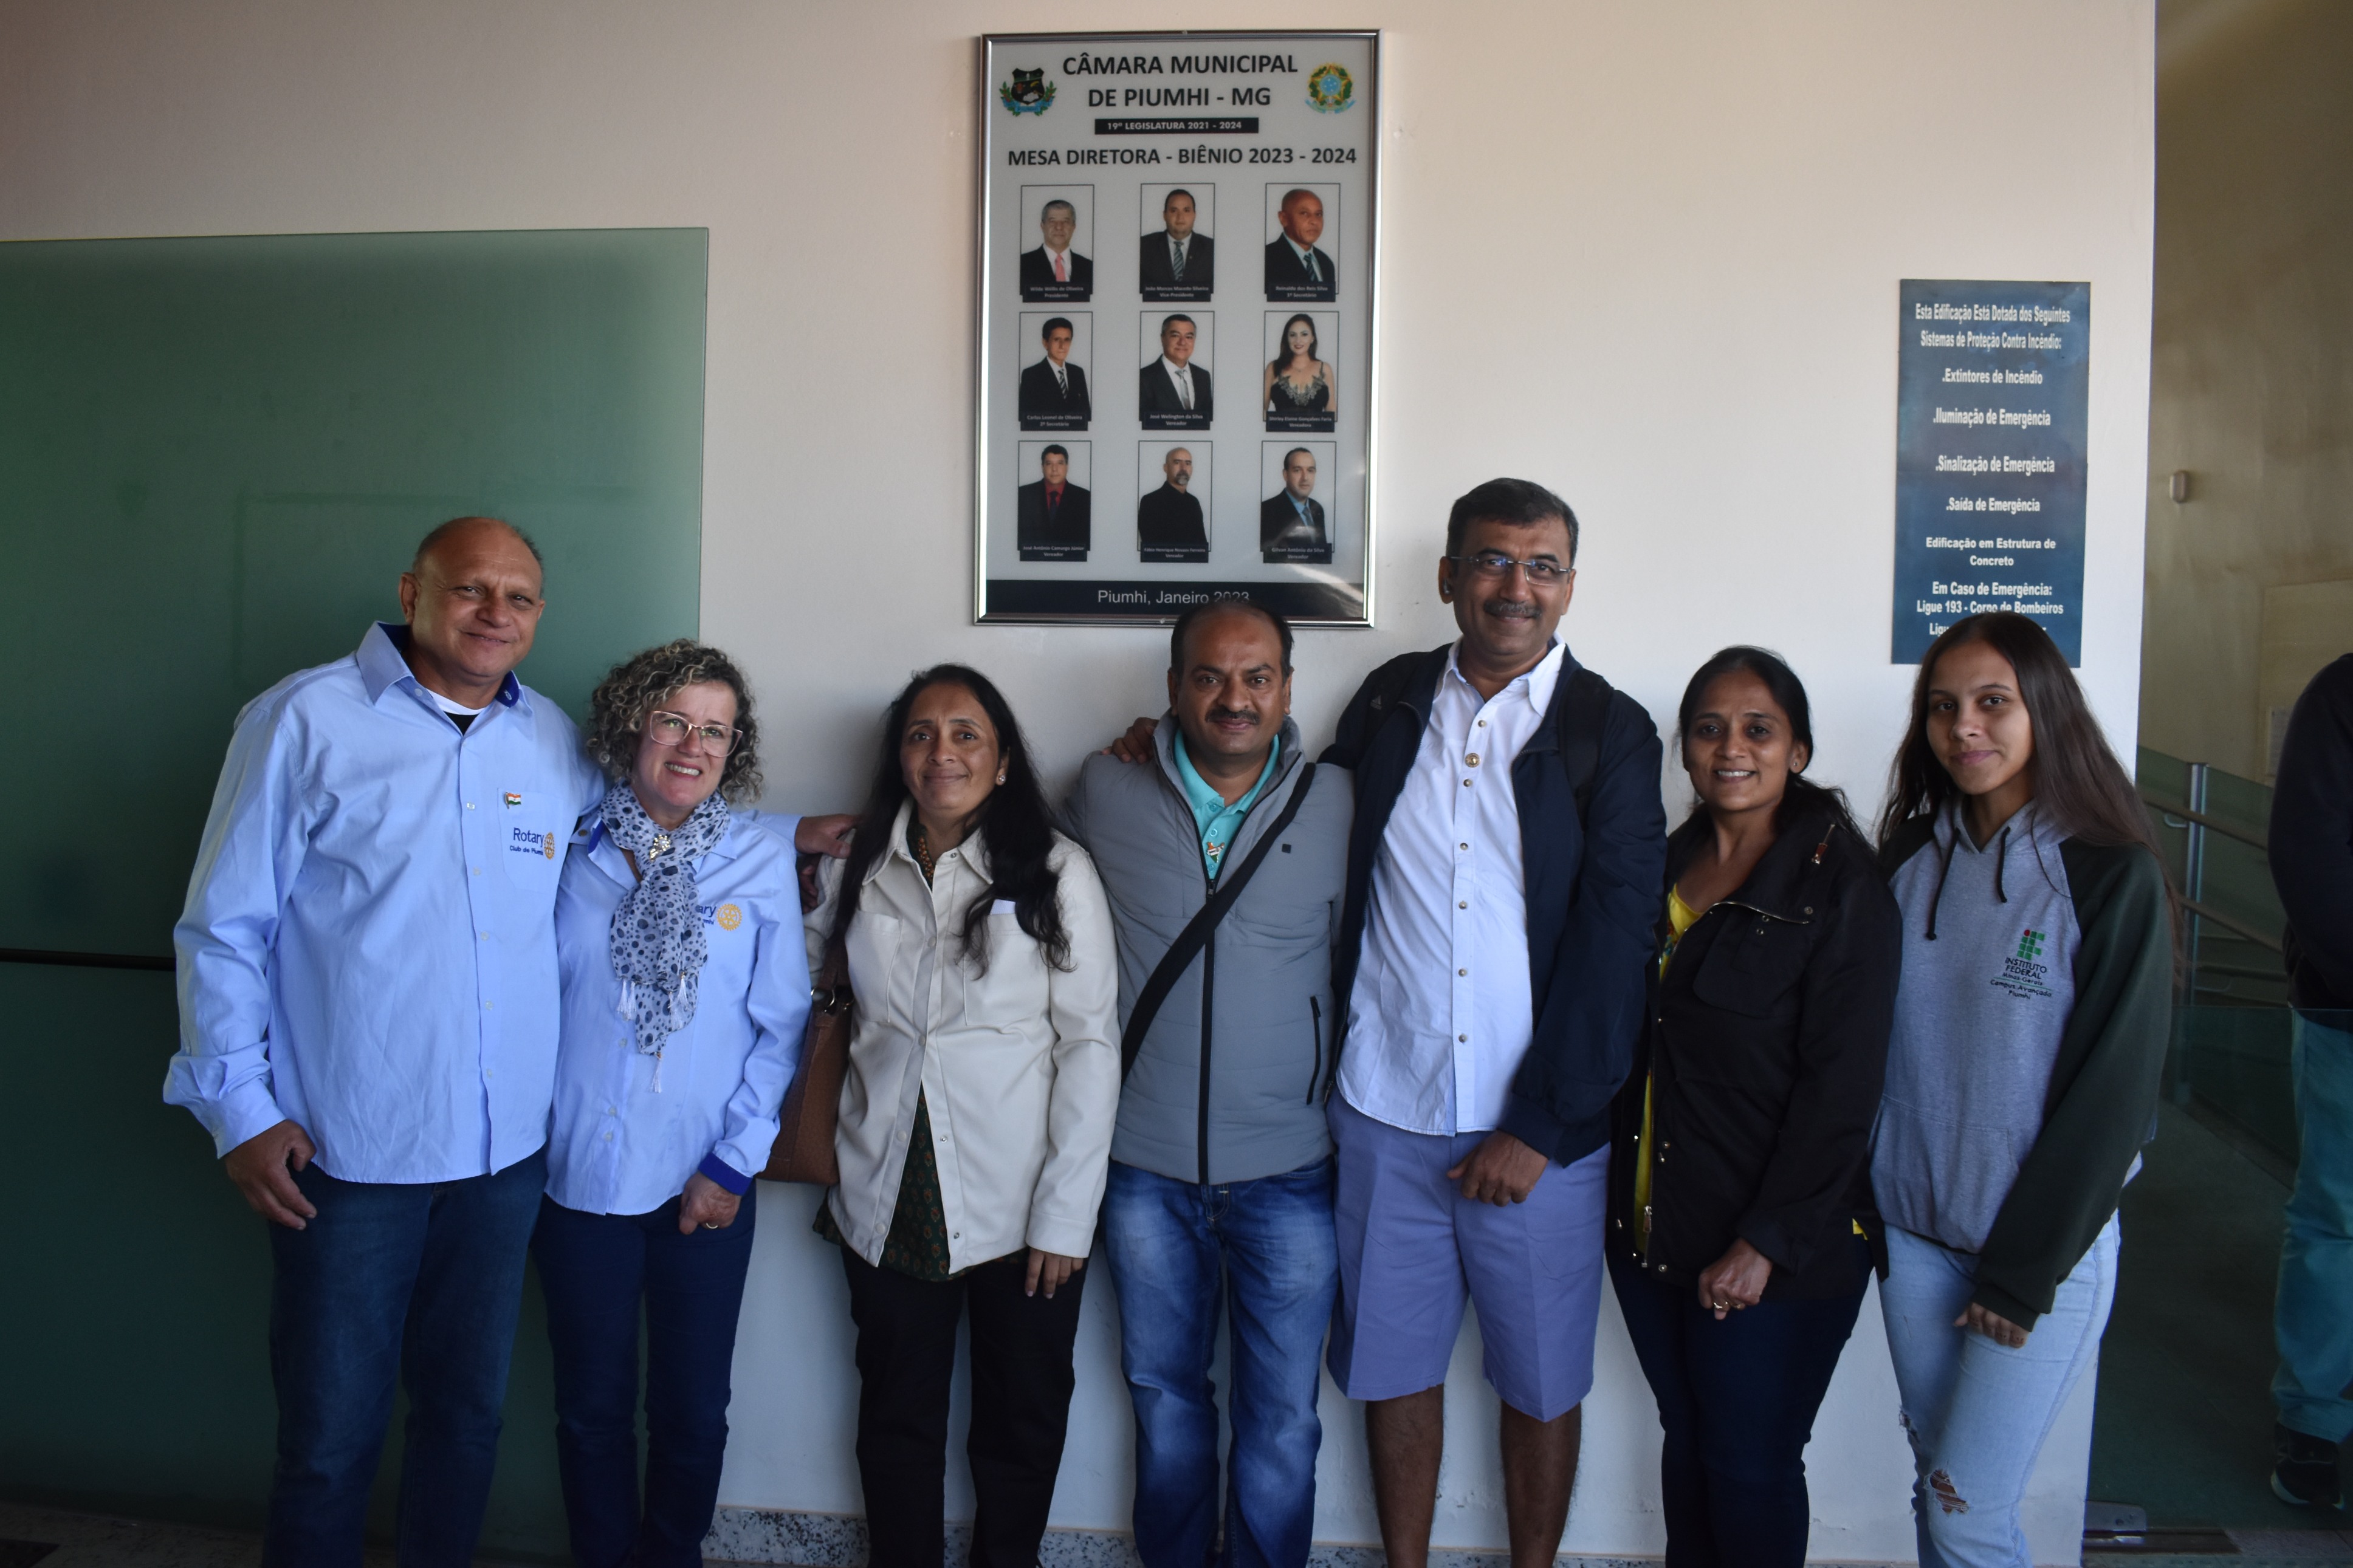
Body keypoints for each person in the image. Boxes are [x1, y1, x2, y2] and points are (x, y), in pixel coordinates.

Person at [163, 516, 854, 1566]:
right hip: (350, 1149)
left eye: (520, 597)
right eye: (471, 589)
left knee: (465, 1423)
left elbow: (665, 823)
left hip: (503, 1164)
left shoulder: (546, 743)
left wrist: (785, 835)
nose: (496, 613)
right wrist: (239, 1108)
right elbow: (224, 928)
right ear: (412, 591)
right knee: (329, 1439)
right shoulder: (305, 719)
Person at [1320, 479, 1666, 1568]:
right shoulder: (1388, 703)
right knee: (1394, 1371)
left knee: (1541, 1380)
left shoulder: (1609, 730)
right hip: (1386, 1105)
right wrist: (1159, 745)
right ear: (1448, 577)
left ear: (1569, 586)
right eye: (1491, 560)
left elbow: (1618, 941)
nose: (1516, 586)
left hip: (1541, 1135)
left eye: (1541, 566)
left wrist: (1543, 1123)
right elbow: (1302, 828)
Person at [1872, 611, 2173, 1568]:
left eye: (1993, 702)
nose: (1964, 727)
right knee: (1937, 1483)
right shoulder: (1906, 859)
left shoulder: (2109, 873)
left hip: (2040, 1256)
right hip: (1914, 1237)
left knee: (1965, 1512)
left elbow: (2113, 1098)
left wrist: (2023, 1269)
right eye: (1943, 706)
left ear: (2045, 709)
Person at [808, 665, 1119, 1568]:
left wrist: (1066, 1215)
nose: (940, 752)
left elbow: (1090, 1046)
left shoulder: (1057, 869)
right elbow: (800, 984)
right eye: (920, 734)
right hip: (885, 1185)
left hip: (1022, 1202)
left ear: (1004, 759)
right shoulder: (856, 864)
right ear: (898, 757)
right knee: (894, 1417)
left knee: (1021, 1420)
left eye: (965, 733)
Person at [1065, 603, 1354, 1568]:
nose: (1235, 697)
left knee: (1284, 1423)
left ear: (1288, 687)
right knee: (1166, 1404)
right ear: (1174, 688)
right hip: (1143, 1169)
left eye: (1257, 676)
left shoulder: (1339, 800)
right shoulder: (1105, 789)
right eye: (1210, 676)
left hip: (1291, 1170)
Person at [1606, 647, 1899, 1568]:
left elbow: (1843, 1091)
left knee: (1748, 1464)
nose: (1731, 747)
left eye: (1757, 729)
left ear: (1798, 751)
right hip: (1656, 1226)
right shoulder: (1663, 864)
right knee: (1690, 1443)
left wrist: (1764, 1241)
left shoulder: (1841, 888)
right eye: (1708, 729)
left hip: (1775, 1248)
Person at [535, 640, 808, 1567]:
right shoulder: (568, 846)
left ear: (736, 749)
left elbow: (781, 1028)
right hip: (577, 1175)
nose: (694, 746)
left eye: (716, 732)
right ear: (631, 729)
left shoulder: (757, 859)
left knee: (692, 1410)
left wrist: (733, 1163)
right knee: (590, 1408)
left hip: (707, 1179)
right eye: (673, 722)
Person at [2265, 652, 2353, 1507]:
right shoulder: (2342, 694)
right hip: (2347, 1012)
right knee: (2337, 1218)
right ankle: (2313, 1416)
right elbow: (2309, 856)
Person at [1016, 444, 1091, 561]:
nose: (1054, 469)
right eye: (1049, 464)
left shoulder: (1084, 498)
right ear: (1042, 467)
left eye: (1060, 463)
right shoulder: (1023, 495)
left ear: (1067, 466)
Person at [1139, 313, 1214, 426]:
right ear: (1162, 338)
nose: (1182, 342)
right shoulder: (1144, 378)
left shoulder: (1203, 376)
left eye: (1189, 337)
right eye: (1175, 336)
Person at [1262, 314, 1335, 429]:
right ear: (1287, 338)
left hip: (1317, 437)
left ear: (1313, 338)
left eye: (1304, 334)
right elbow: (1261, 412)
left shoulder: (1325, 369)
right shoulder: (1273, 368)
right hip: (1280, 436)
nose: (1298, 340)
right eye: (1293, 335)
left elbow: (1332, 417)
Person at [1017, 317, 1091, 428]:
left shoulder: (1078, 373)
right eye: (1057, 340)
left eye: (1067, 340)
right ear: (1045, 343)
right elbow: (1026, 420)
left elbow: (1086, 418)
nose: (1062, 346)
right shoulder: (1031, 375)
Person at [1138, 447, 1209, 563]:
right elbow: (1153, 550)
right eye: (1177, 463)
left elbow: (1201, 549)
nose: (1183, 468)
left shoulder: (1194, 502)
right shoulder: (1150, 501)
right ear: (1166, 468)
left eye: (1188, 463)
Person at [1260, 447, 1331, 563]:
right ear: (1285, 475)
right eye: (1297, 470)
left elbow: (1322, 555)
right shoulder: (1267, 510)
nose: (1305, 478)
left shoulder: (1317, 508)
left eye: (1310, 470)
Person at [1141, 188, 1215, 295]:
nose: (1180, 217)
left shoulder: (1211, 249)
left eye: (1186, 210)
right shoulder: (1144, 246)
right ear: (1165, 215)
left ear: (1195, 215)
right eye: (1174, 211)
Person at [1265, 190, 1336, 302]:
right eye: (1304, 213)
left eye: (1318, 214)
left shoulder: (1326, 263)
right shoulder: (1268, 259)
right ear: (1283, 218)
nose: (1314, 221)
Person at [1019, 198, 1091, 299]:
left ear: (1074, 227)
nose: (1059, 227)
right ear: (1042, 226)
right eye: (1052, 221)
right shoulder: (1022, 265)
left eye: (1065, 222)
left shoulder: (1089, 267)